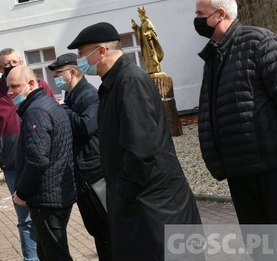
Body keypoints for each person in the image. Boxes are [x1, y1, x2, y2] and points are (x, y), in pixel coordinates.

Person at [67, 22, 201, 260]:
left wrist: (121, 194)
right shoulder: (114, 83)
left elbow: (141, 150)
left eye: (82, 53)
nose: (79, 60)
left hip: (155, 206)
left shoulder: (129, 82)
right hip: (141, 203)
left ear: (101, 51)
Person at [195, 0, 277, 224]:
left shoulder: (259, 43)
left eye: (200, 13)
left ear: (219, 15)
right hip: (238, 171)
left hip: (268, 169)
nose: (196, 19)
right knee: (260, 246)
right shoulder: (214, 56)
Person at [0, 48, 54, 260]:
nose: (12, 66)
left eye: (15, 61)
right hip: (13, 166)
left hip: (44, 161)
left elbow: (56, 117)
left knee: (49, 214)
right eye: (7, 64)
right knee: (26, 218)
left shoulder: (39, 86)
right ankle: (31, 258)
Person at [7, 65, 76, 261]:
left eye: (14, 86)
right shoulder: (48, 103)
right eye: (8, 87)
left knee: (55, 254)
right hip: (57, 193)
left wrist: (22, 192)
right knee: (47, 253)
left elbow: (37, 160)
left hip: (47, 198)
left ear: (30, 84)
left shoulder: (36, 111)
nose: (9, 92)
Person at [48, 53, 111, 260]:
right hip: (81, 177)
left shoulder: (88, 95)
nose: (55, 78)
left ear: (73, 72)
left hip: (95, 175)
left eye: (58, 73)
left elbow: (86, 126)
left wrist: (63, 110)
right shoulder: (72, 96)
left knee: (108, 231)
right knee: (97, 231)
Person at [131, 6, 165, 74]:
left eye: (140, 14)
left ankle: (156, 69)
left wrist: (149, 33)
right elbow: (140, 32)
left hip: (149, 44)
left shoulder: (148, 22)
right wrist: (135, 27)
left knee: (152, 56)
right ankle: (150, 70)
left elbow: (154, 32)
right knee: (147, 58)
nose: (139, 16)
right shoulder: (143, 23)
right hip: (145, 45)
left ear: (143, 14)